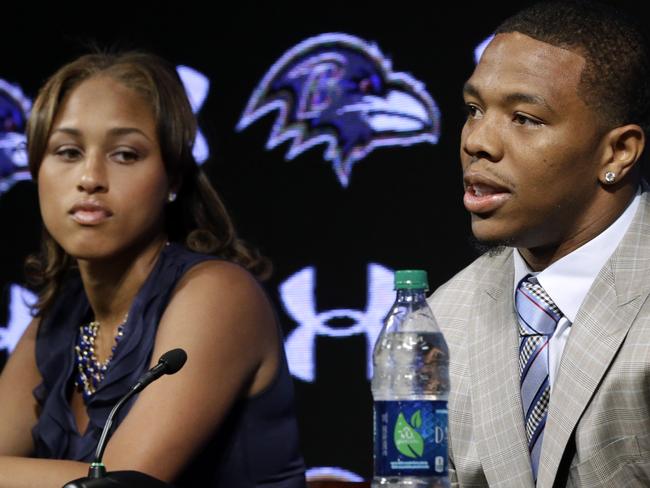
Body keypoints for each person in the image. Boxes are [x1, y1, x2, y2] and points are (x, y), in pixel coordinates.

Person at [0, 51, 306, 487]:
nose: (90, 177)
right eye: (67, 151)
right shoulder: (59, 320)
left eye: (125, 154)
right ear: (37, 170)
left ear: (173, 179)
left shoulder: (217, 296)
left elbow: (122, 483)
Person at [428, 1, 650, 487]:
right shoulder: (440, 322)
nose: (477, 141)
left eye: (524, 118)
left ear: (618, 151)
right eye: (473, 110)